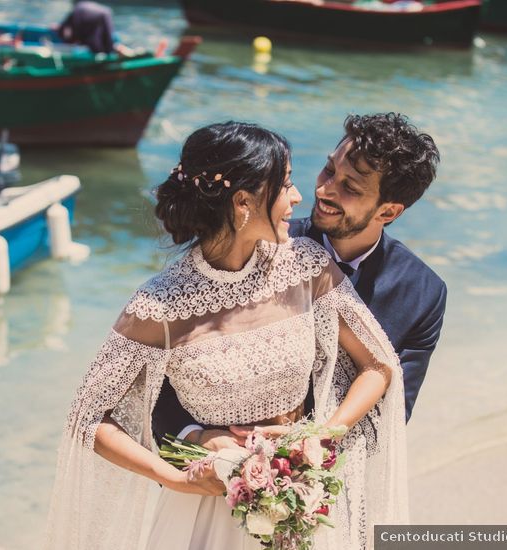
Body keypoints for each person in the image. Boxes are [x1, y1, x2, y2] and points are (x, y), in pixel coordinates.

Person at [46, 121, 408, 549]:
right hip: (203, 514)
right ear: (243, 202)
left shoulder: (306, 267)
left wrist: (323, 434)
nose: (298, 198)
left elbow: (379, 364)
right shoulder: (160, 305)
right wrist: (175, 478)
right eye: (286, 185)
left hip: (303, 497)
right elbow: (87, 419)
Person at [153, 113, 445, 459]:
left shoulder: (423, 292)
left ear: (389, 211)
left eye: (350, 188)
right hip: (223, 466)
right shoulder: (258, 241)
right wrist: (199, 439)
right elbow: (166, 383)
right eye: (329, 170)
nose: (323, 189)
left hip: (330, 481)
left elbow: (393, 411)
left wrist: (312, 445)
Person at [56, 1, 135, 56]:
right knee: (106, 45)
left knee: (97, 46)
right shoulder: (102, 10)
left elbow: (63, 29)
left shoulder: (77, 8)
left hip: (94, 21)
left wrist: (66, 40)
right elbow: (108, 35)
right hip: (105, 14)